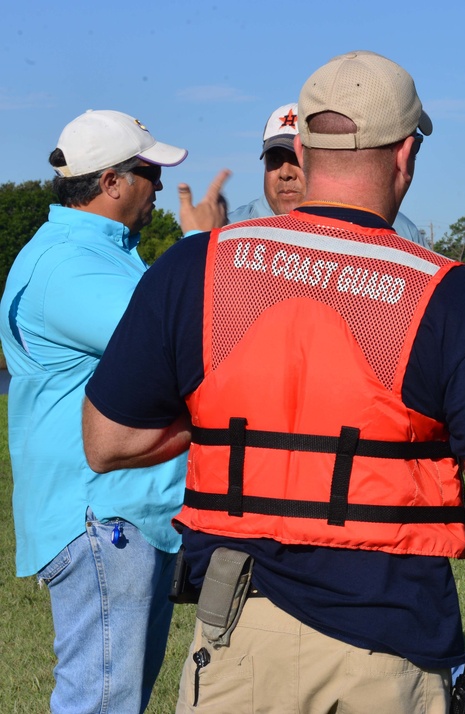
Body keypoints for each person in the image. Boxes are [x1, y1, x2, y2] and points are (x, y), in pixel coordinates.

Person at [81, 50, 465, 713]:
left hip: (236, 628)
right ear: (405, 156)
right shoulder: (444, 292)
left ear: (302, 151)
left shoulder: (199, 267)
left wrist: (230, 416)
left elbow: (107, 441)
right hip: (389, 636)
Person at [0, 109, 203, 713]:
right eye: (148, 170)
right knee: (102, 702)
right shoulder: (72, 265)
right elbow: (178, 344)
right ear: (112, 182)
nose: (158, 185)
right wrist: (200, 249)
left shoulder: (96, 254)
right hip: (107, 515)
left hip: (117, 514)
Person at [228, 102, 430, 247]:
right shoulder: (228, 231)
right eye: (275, 159)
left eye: (296, 160)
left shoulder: (396, 230)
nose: (285, 173)